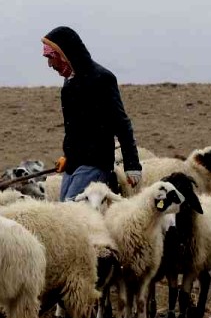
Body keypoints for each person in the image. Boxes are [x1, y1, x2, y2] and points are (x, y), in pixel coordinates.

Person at [42, 26, 142, 201]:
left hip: (95, 163)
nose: (49, 64)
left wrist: (132, 165)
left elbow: (121, 123)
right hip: (74, 165)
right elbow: (74, 128)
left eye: (51, 57)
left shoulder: (102, 79)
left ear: (64, 54)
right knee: (62, 211)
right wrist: (67, 155)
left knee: (71, 214)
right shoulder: (69, 83)